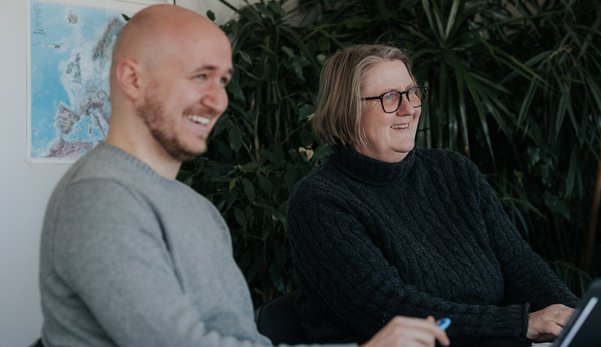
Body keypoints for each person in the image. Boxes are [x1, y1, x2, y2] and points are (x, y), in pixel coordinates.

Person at [38, 5, 449, 347]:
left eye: (223, 80)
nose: (218, 100)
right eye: (200, 76)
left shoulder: (194, 208)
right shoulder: (100, 197)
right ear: (133, 79)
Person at [287, 44, 581, 346]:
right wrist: (520, 324)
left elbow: (521, 267)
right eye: (390, 98)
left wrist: (582, 320)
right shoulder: (319, 202)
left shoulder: (453, 172)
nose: (409, 108)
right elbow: (392, 311)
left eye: (412, 92)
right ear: (346, 110)